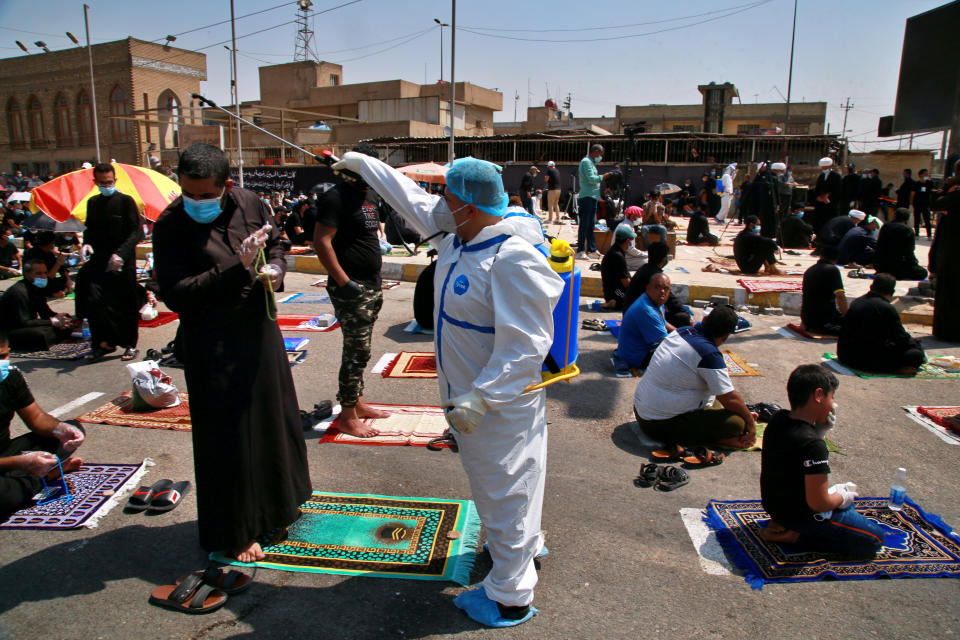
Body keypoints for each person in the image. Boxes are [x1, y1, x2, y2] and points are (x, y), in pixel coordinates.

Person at [332, 151, 564, 627]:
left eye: (450, 198)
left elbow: (526, 346)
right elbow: (412, 199)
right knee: (509, 487)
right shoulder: (461, 233)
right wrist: (360, 163)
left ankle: (509, 593)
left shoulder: (511, 257)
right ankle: (522, 545)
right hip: (470, 399)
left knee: (505, 489)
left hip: (497, 404)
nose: (440, 204)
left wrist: (481, 398)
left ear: (472, 206)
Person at [153, 142, 311, 563]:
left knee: (272, 420)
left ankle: (280, 506)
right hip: (212, 343)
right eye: (189, 193)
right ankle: (236, 531)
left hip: (259, 330)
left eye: (206, 195)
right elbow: (176, 294)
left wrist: (275, 269)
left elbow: (276, 243)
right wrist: (234, 267)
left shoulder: (249, 202)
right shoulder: (170, 224)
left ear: (226, 185)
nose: (197, 203)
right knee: (228, 437)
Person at [759, 364, 885, 556]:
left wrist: (820, 430)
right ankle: (797, 537)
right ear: (819, 395)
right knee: (874, 539)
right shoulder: (812, 445)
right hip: (803, 517)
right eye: (831, 397)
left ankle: (786, 525)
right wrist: (842, 496)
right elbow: (819, 503)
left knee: (847, 512)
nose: (832, 403)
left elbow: (791, 459)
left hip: (777, 508)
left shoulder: (778, 419)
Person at [314, 144, 392, 437]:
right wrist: (345, 282)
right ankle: (347, 416)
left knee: (362, 349)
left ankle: (357, 403)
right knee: (356, 351)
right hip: (352, 287)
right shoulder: (335, 197)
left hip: (371, 284)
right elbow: (321, 242)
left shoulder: (369, 195)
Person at [633, 305, 757, 452]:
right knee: (737, 423)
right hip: (657, 425)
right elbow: (729, 398)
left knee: (721, 401)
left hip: (641, 411)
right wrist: (749, 422)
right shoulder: (709, 354)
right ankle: (719, 439)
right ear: (725, 337)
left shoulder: (681, 331)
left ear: (704, 319)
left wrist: (742, 410)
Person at [0, 332, 86, 517]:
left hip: (4, 452)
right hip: (8, 462)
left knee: (73, 428)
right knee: (5, 495)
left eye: (3, 356)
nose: (2, 363)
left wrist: (60, 429)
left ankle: (31, 474)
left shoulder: (10, 377)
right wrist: (20, 462)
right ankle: (44, 476)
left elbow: (37, 418)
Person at [75, 163, 143, 361]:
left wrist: (121, 253)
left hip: (123, 262)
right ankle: (103, 343)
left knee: (125, 303)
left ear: (115, 180)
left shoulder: (125, 202)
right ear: (95, 182)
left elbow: (136, 231)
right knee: (95, 300)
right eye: (102, 182)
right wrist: (86, 244)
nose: (107, 185)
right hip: (100, 261)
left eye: (110, 182)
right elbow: (90, 229)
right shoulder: (93, 202)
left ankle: (129, 344)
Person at [838, 274, 925, 375]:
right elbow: (900, 338)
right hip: (864, 361)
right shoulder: (886, 308)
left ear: (871, 287)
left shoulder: (857, 302)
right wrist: (916, 346)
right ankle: (899, 369)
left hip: (845, 355)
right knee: (915, 354)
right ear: (891, 292)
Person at [0, 259, 74, 350]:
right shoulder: (18, 292)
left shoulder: (37, 288)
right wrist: (52, 322)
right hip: (13, 329)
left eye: (45, 273)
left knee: (67, 320)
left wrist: (59, 317)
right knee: (40, 334)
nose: (43, 277)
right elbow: (23, 322)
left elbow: (45, 312)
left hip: (29, 324)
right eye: (39, 273)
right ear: (27, 275)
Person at [618, 273, 673, 369]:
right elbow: (667, 343)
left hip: (642, 350)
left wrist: (684, 333)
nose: (662, 291)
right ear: (648, 288)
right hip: (638, 357)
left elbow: (664, 323)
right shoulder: (647, 310)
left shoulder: (656, 302)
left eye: (666, 288)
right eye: (657, 287)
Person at [931, 166, 960, 341]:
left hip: (954, 247)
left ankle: (948, 330)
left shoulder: (956, 193)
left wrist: (944, 187)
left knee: (950, 287)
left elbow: (935, 203)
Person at [800, 245, 847, 335]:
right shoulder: (832, 270)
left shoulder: (810, 269)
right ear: (836, 259)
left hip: (807, 319)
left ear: (820, 256)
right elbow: (840, 296)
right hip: (823, 321)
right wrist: (847, 316)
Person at [874, 208, 928, 280]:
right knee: (922, 273)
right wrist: (914, 263)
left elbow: (879, 245)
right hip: (898, 266)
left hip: (881, 266)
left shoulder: (885, 227)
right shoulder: (907, 230)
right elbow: (909, 252)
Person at [577, 144, 609, 259]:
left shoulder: (591, 163)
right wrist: (603, 177)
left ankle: (592, 249)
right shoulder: (586, 162)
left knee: (590, 225)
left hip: (593, 197)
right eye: (600, 154)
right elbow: (591, 179)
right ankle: (581, 250)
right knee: (584, 224)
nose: (600, 157)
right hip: (587, 197)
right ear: (595, 152)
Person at [23, 231, 72, 298]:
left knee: (63, 281)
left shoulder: (49, 254)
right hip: (36, 282)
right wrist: (58, 264)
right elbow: (46, 277)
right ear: (51, 243)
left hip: (48, 279)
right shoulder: (31, 254)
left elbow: (62, 270)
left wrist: (68, 280)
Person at [599, 224, 636, 310]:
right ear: (627, 241)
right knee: (638, 302)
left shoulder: (616, 250)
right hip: (616, 292)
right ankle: (615, 302)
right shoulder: (617, 256)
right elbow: (626, 282)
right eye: (630, 240)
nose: (630, 243)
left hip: (611, 290)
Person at [811, 157, 843, 235]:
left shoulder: (836, 176)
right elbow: (817, 189)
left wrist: (829, 199)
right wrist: (818, 197)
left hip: (831, 205)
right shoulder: (821, 176)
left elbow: (838, 190)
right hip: (821, 205)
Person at [911, 168, 934, 239]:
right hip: (917, 203)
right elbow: (913, 193)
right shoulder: (916, 184)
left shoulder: (929, 183)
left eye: (927, 174)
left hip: (926, 204)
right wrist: (911, 201)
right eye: (925, 174)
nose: (927, 175)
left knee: (927, 219)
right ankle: (917, 234)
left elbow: (931, 193)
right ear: (920, 175)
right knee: (917, 219)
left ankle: (929, 235)